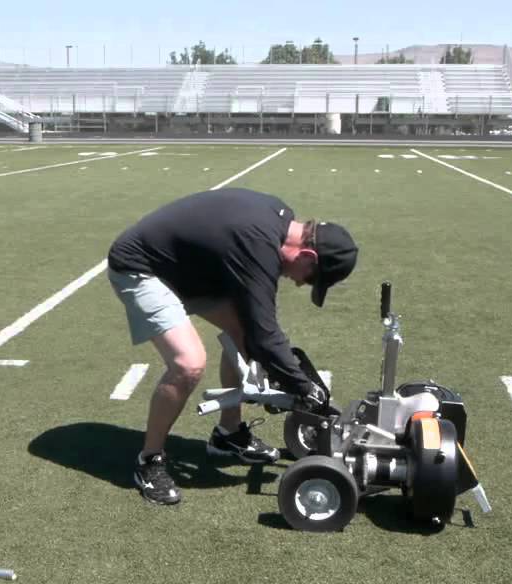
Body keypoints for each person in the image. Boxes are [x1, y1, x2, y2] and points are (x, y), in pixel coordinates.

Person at [107, 188, 358, 505]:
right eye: (309, 279)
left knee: (244, 332)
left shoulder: (277, 219)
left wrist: (286, 373)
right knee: (188, 363)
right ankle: (149, 460)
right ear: (307, 256)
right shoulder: (259, 243)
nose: (298, 283)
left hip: (187, 269)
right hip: (141, 266)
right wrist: (302, 387)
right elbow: (266, 334)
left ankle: (228, 434)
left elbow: (257, 330)